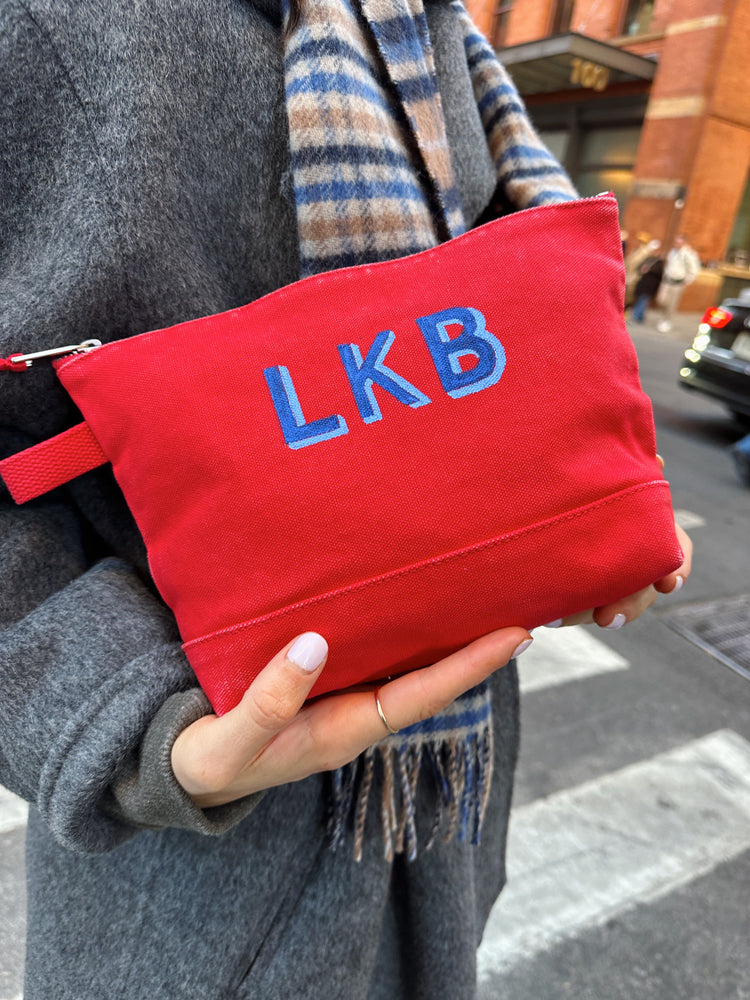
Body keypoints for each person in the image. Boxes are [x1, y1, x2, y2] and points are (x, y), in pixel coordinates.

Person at [0, 1, 691, 997]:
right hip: (191, 903)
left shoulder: (432, 25)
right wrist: (133, 720)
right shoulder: (44, 26)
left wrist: (587, 499)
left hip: (443, 825)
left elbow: (515, 300)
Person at [657, 233, 701, 333]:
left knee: (672, 304)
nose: (676, 244)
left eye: (678, 242)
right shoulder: (673, 252)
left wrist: (688, 280)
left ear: (684, 243)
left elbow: (693, 269)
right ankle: (663, 315)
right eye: (675, 242)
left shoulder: (688, 254)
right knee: (661, 300)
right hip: (667, 281)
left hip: (677, 283)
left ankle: (667, 320)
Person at [630, 240, 664, 323]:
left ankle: (637, 315)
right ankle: (639, 315)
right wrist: (642, 269)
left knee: (644, 299)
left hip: (651, 284)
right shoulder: (648, 259)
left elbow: (659, 273)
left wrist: (649, 270)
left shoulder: (659, 262)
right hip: (643, 282)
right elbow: (639, 267)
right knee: (641, 299)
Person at [624, 231, 654, 308]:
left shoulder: (645, 251)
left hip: (635, 275)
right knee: (626, 293)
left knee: (630, 294)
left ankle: (628, 309)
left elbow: (638, 264)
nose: (638, 242)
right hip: (629, 274)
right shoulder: (637, 250)